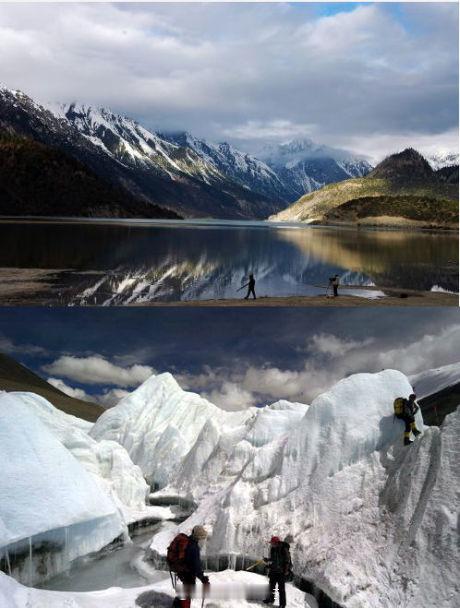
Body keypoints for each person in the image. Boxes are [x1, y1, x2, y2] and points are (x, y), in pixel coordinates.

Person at [170, 526, 210, 608]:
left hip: (182, 569)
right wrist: (203, 578)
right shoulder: (194, 547)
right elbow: (196, 566)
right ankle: (183, 606)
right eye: (202, 538)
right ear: (198, 537)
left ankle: (179, 603)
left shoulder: (188, 541)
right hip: (187, 572)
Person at [263, 536, 292, 608]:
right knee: (271, 586)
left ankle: (282, 604)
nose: (271, 544)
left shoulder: (283, 549)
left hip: (281, 572)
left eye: (272, 543)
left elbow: (287, 561)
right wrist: (268, 561)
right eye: (271, 543)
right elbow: (273, 560)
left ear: (276, 543)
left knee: (281, 589)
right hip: (274, 571)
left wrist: (285, 571)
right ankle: (270, 599)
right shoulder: (273, 549)